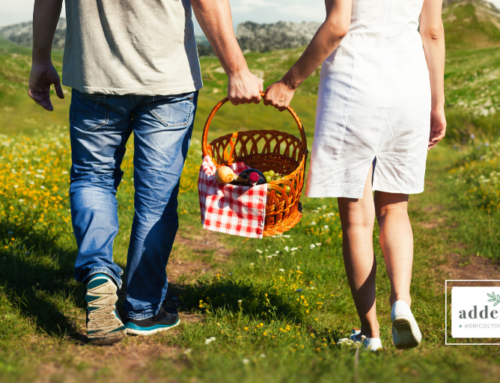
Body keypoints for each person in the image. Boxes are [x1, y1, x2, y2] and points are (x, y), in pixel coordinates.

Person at [28, 0, 263, 345]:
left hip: (94, 76)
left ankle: (97, 272)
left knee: (93, 178)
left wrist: (40, 58)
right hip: (167, 81)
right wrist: (237, 69)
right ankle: (143, 310)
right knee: (156, 200)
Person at [264, 0, 446, 350]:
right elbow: (433, 32)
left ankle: (370, 333)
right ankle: (401, 302)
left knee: (357, 222)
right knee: (396, 209)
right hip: (409, 90)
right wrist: (437, 104)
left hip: (353, 88)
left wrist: (289, 82)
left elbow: (337, 26)